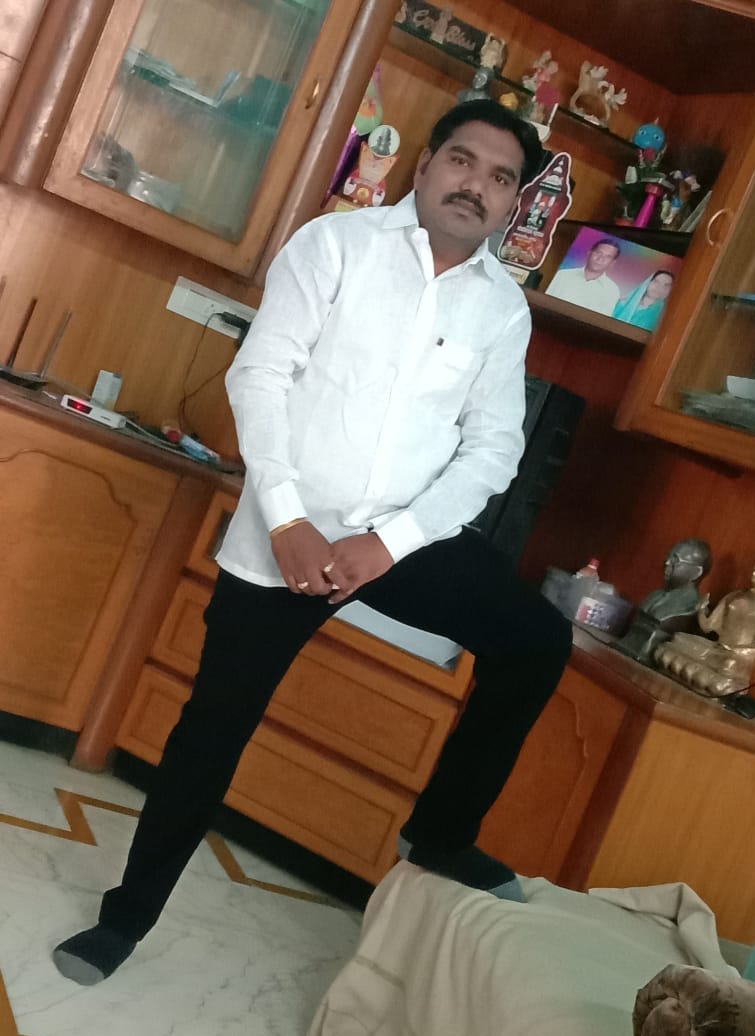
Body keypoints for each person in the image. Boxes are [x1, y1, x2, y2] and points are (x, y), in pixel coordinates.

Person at [52, 99, 572, 985]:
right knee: (213, 727)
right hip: (287, 530)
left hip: (401, 536)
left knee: (536, 639)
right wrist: (288, 520)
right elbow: (260, 375)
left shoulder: (501, 309)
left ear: (513, 203)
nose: (475, 185)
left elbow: (493, 449)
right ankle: (124, 920)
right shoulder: (335, 246)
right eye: (462, 160)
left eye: (500, 177)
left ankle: (441, 833)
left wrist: (391, 543)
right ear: (425, 165)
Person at [655, 543, 755, 697]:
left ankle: (709, 679)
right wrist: (702, 610)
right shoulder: (734, 596)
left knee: (728, 665)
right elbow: (708, 626)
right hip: (714, 649)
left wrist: (737, 650)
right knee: (678, 638)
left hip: (731, 660)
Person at [616, 538, 712, 665]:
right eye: (668, 557)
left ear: (696, 572)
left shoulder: (691, 607)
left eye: (675, 560)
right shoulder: (655, 595)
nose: (667, 563)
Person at [545, 238, 621, 314]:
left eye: (608, 257)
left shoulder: (612, 290)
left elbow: (600, 319)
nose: (600, 259)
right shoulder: (562, 275)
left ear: (612, 263)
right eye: (598, 253)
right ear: (589, 253)